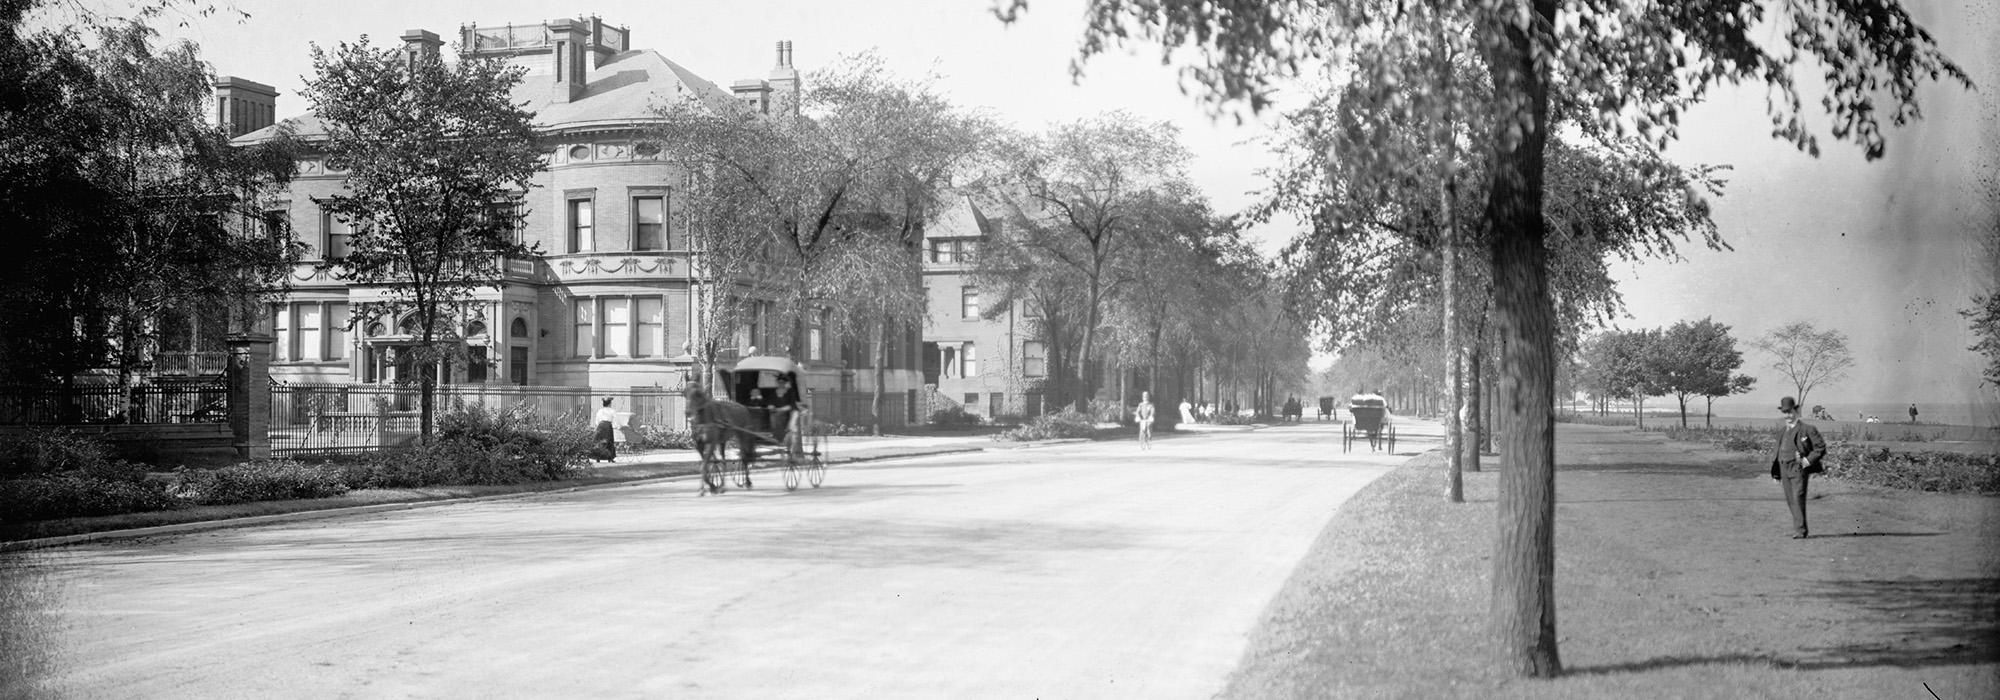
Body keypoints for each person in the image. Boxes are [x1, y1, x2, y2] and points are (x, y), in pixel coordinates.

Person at [1769, 396, 1826, 539]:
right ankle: (1798, 528)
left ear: (1796, 411)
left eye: (1790, 412)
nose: (1787, 415)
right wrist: (1776, 474)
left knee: (1798, 497)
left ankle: (1800, 531)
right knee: (1790, 500)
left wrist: (1806, 461)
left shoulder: (1808, 429)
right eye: (1785, 412)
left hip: (1798, 468)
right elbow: (1777, 452)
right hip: (1783, 469)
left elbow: (1820, 448)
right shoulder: (1782, 431)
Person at [592, 398, 619, 462]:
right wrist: (616, 426)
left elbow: (597, 420)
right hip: (608, 426)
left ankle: (597, 457)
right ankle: (610, 458)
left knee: (599, 442)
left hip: (600, 426)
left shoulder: (600, 411)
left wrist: (597, 426)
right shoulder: (612, 411)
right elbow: (615, 420)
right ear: (609, 403)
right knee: (609, 442)